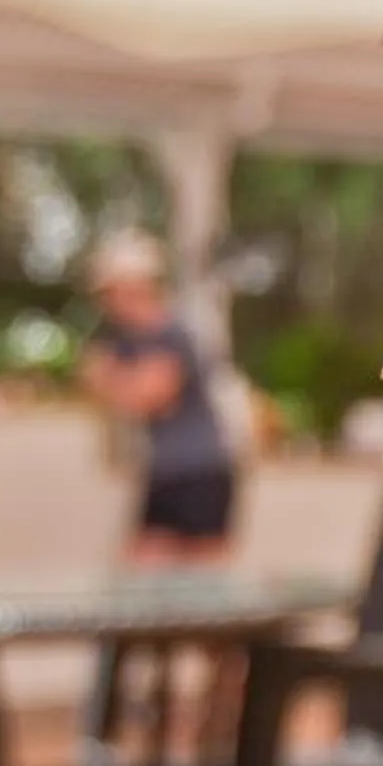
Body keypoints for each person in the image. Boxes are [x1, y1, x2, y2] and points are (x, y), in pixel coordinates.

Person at [81, 233, 238, 564]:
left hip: (199, 471)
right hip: (166, 471)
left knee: (205, 579)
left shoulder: (172, 334)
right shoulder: (127, 342)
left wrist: (110, 378)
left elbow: (147, 396)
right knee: (142, 569)